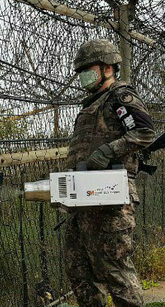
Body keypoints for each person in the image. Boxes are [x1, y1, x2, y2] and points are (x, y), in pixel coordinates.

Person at [64, 38, 156, 307]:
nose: (83, 76)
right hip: (84, 197)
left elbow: (144, 131)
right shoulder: (91, 103)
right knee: (79, 269)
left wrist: (108, 151)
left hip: (111, 198)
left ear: (106, 68)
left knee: (115, 269)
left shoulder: (119, 97)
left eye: (87, 69)